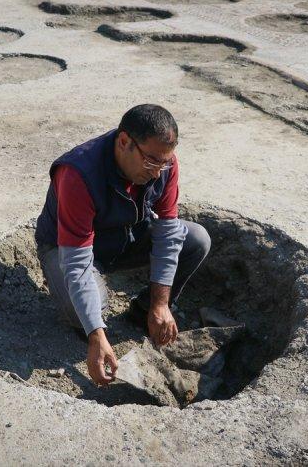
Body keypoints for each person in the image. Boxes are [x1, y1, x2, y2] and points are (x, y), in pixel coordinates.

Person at [35, 104, 211, 387]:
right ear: (124, 142)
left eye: (165, 163)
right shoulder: (78, 174)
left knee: (196, 239)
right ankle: (93, 320)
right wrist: (96, 335)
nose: (158, 173)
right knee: (85, 316)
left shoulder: (164, 164)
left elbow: (168, 235)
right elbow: (77, 263)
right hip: (69, 249)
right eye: (152, 162)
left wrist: (160, 304)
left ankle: (144, 312)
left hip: (128, 236)